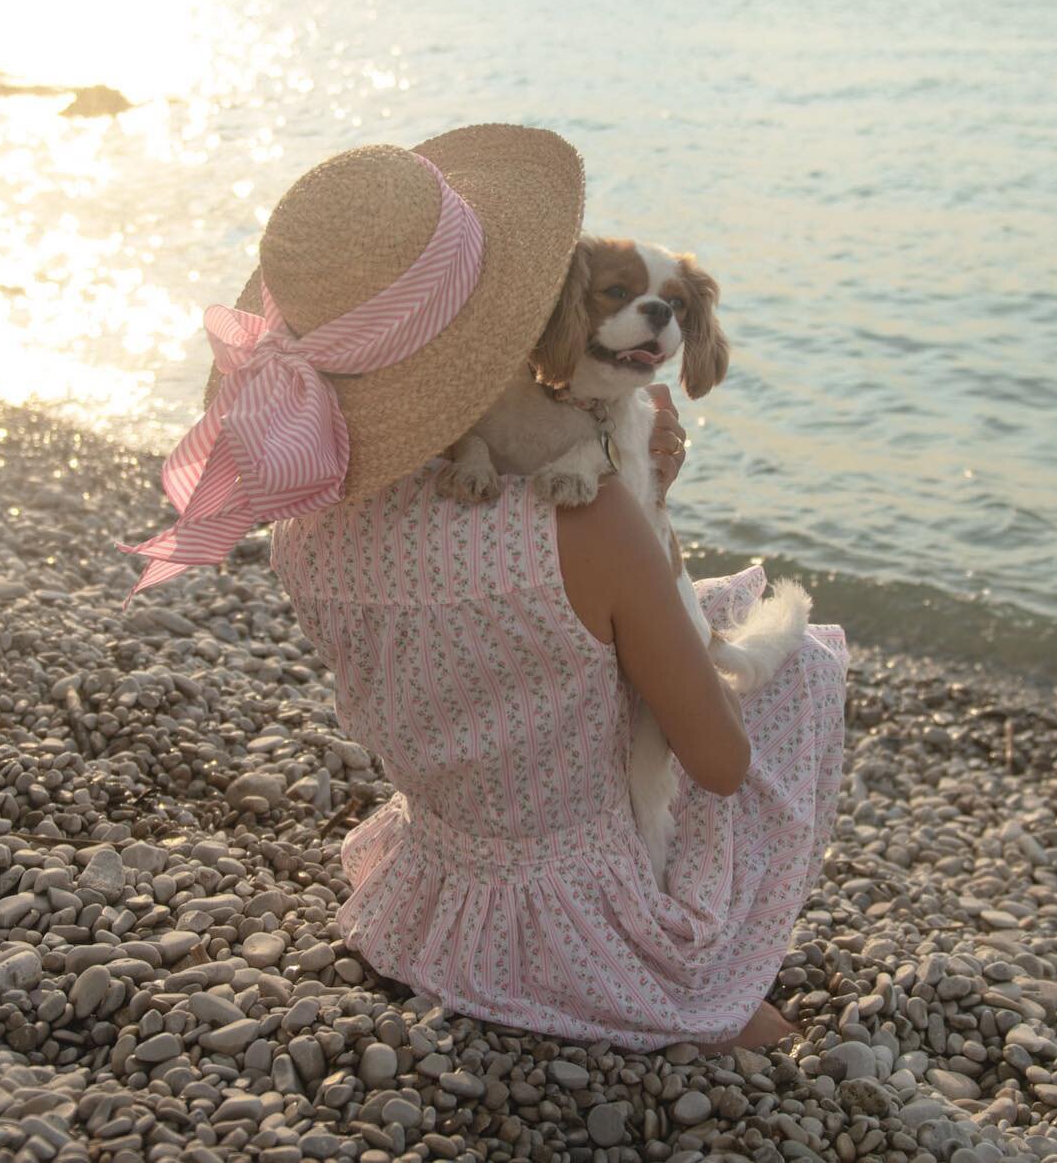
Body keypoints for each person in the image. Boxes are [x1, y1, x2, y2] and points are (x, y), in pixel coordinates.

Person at [120, 124, 848, 1052]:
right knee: (798, 667)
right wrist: (644, 517)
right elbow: (718, 762)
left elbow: (509, 645)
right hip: (593, 917)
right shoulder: (588, 523)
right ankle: (716, 999)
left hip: (436, 885)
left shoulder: (307, 518)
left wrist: (640, 494)